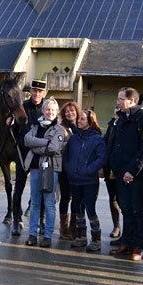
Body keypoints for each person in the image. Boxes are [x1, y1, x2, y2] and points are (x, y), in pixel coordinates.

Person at [107, 87, 143, 261]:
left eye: (121, 99)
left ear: (132, 101)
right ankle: (126, 242)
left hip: (136, 174)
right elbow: (115, 144)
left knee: (137, 209)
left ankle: (138, 246)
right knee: (126, 209)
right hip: (120, 173)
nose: (118, 102)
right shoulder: (121, 118)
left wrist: (132, 170)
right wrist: (114, 165)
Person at [23, 97, 65, 248]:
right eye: (48, 109)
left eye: (53, 110)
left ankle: (47, 236)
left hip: (51, 169)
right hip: (35, 169)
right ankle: (32, 235)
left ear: (57, 112)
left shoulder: (59, 130)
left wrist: (35, 145)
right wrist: (45, 143)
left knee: (49, 203)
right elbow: (27, 140)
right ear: (43, 110)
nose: (50, 112)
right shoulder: (35, 126)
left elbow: (54, 148)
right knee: (34, 202)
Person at [64, 109, 107, 251]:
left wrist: (88, 170)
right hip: (74, 179)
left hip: (89, 181)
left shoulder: (97, 139)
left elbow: (102, 158)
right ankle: (81, 237)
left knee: (90, 209)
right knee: (77, 208)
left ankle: (96, 239)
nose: (78, 121)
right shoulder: (74, 138)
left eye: (82, 119)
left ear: (90, 121)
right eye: (79, 119)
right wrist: (69, 168)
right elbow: (67, 156)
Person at [10, 79, 48, 236]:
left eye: (40, 92)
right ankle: (16, 221)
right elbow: (14, 128)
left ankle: (41, 220)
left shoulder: (48, 108)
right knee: (18, 187)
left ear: (44, 93)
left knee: (44, 189)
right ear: (30, 91)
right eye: (34, 91)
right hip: (24, 154)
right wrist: (10, 122)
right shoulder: (22, 107)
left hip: (42, 156)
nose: (37, 94)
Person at [57, 101, 81, 240]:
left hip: (78, 169)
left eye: (72, 110)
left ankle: (73, 226)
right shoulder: (61, 128)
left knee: (76, 198)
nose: (69, 113)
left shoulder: (82, 125)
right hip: (65, 168)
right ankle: (63, 228)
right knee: (65, 197)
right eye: (67, 111)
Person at [102, 108, 121, 239]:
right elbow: (105, 142)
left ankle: (128, 233)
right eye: (115, 109)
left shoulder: (129, 124)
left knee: (124, 201)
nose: (116, 111)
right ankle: (117, 226)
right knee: (113, 198)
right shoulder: (112, 124)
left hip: (122, 169)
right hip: (110, 168)